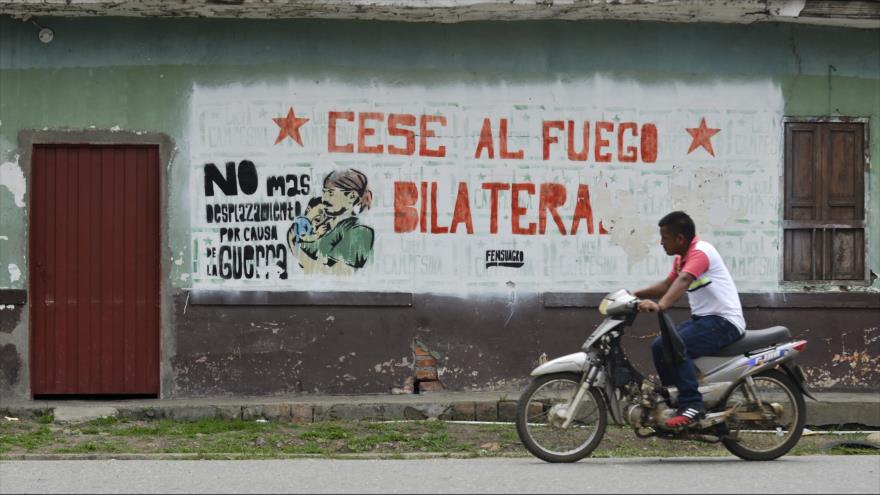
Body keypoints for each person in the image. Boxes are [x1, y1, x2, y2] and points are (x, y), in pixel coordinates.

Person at [634, 211, 745, 428]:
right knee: (659, 346)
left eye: (664, 238)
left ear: (680, 239)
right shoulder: (681, 258)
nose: (661, 242)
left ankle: (692, 405)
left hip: (724, 321)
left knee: (678, 345)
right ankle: (674, 402)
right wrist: (632, 295)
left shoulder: (700, 252)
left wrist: (661, 305)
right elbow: (667, 285)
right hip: (705, 320)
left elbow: (684, 280)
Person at [288, 168, 375, 276]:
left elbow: (339, 274)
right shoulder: (324, 222)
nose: (324, 199)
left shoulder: (360, 231)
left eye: (330, 193)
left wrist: (295, 245)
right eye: (324, 193)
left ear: (351, 196)